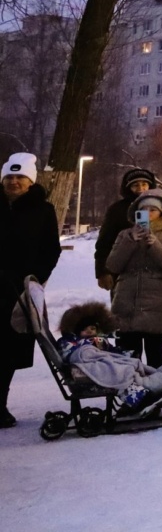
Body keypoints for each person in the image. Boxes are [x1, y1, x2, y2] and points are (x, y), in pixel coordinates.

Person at [0, 152, 62, 428]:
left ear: (30, 181)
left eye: (20, 177)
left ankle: (0, 404)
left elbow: (51, 249)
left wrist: (35, 277)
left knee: (8, 351)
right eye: (9, 177)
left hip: (18, 292)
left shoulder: (43, 210)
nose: (14, 182)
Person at [106, 186, 162, 369]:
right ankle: (131, 392)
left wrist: (156, 246)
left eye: (153, 210)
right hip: (127, 302)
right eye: (143, 210)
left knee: (154, 354)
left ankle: (156, 392)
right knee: (128, 356)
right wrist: (129, 241)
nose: (148, 213)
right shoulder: (125, 234)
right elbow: (113, 265)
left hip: (157, 303)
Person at [54, 302, 162, 414]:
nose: (89, 332)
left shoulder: (100, 341)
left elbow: (111, 351)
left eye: (92, 329)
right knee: (117, 371)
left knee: (125, 365)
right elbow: (76, 353)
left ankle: (144, 392)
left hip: (100, 360)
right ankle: (141, 399)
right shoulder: (71, 342)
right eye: (85, 330)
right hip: (87, 367)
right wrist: (87, 349)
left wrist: (124, 354)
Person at [96, 168, 162, 291]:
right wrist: (102, 271)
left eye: (144, 184)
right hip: (124, 274)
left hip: (159, 274)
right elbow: (104, 242)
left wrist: (161, 241)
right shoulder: (117, 210)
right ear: (127, 188)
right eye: (135, 185)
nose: (140, 188)